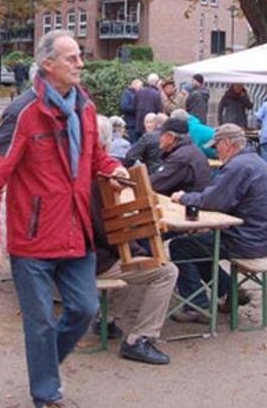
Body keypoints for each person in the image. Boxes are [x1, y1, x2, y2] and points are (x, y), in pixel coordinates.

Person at [0, 30, 128, 408]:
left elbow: (93, 157)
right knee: (40, 321)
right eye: (72, 58)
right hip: (33, 239)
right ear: (48, 64)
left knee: (86, 308)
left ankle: (43, 367)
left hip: (77, 232)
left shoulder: (84, 108)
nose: (81, 64)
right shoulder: (22, 112)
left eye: (80, 57)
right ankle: (46, 393)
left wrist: (113, 168)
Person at [91, 115, 177, 365]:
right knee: (166, 271)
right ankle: (139, 339)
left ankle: (106, 319)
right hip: (91, 261)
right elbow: (109, 234)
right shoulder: (102, 181)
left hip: (74, 256)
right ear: (106, 146)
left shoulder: (78, 173)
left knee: (132, 259)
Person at [169, 124, 267, 323]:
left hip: (243, 239)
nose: (215, 150)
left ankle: (197, 306)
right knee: (197, 245)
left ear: (227, 143)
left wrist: (184, 197)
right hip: (259, 236)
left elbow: (212, 201)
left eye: (216, 145)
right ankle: (229, 290)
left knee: (181, 246)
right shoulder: (255, 161)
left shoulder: (238, 166)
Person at [149, 114, 212, 195]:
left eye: (161, 134)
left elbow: (155, 184)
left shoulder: (181, 157)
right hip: (192, 197)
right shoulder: (188, 149)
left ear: (170, 137)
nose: (159, 138)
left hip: (189, 200)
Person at [133, 74, 162, 140]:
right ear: (156, 82)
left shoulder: (139, 91)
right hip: (152, 122)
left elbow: (134, 106)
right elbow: (159, 109)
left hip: (139, 121)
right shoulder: (157, 93)